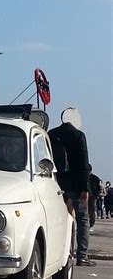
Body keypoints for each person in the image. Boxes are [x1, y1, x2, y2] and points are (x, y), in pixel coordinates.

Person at [48, 107, 95, 266]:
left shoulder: (51, 134)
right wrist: (85, 188)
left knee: (57, 220)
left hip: (56, 183)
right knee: (82, 220)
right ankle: (82, 256)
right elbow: (83, 163)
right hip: (76, 185)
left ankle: (58, 253)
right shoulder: (79, 136)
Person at [88, 165, 101, 231]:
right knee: (83, 210)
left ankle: (91, 224)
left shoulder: (95, 178)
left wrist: (96, 195)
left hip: (92, 196)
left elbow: (99, 188)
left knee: (92, 210)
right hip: (84, 195)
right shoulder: (83, 177)